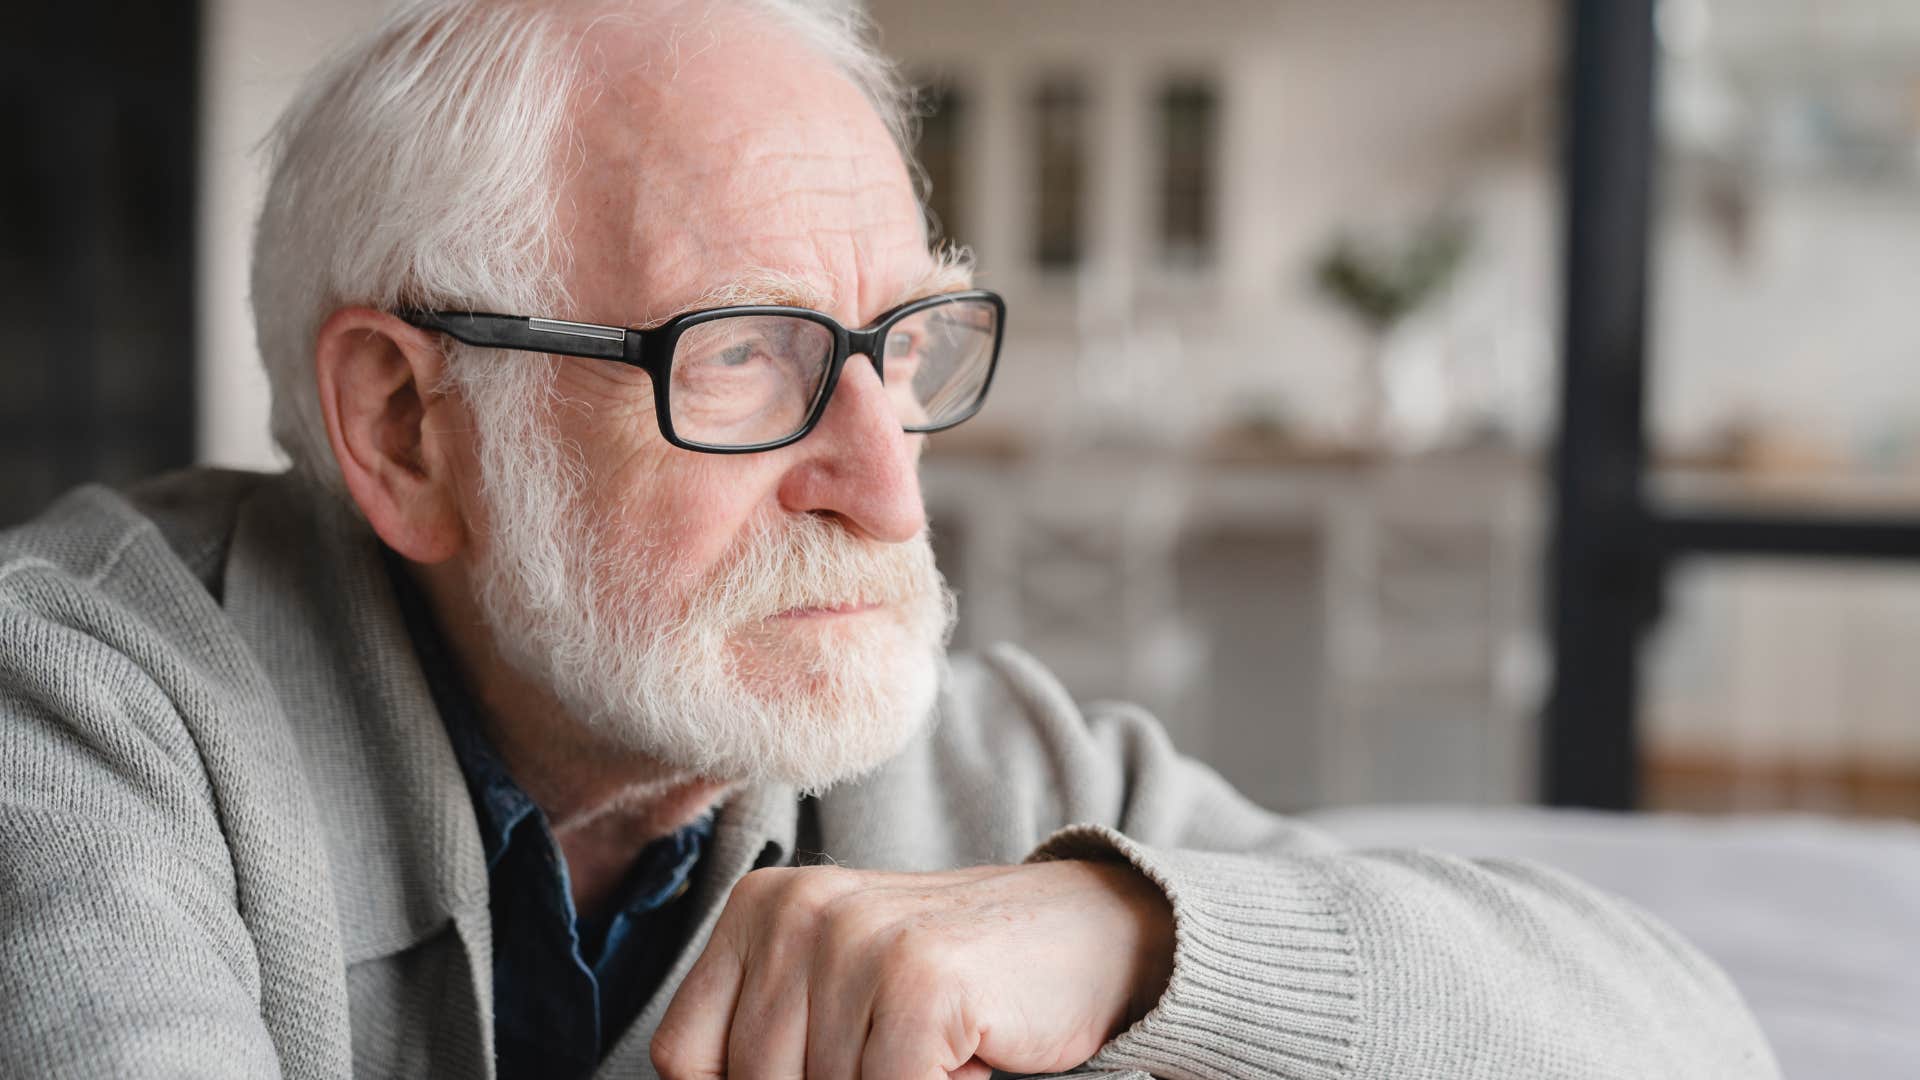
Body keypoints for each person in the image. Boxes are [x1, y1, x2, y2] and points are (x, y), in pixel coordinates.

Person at [0, 1, 1776, 1077]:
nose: (889, 483)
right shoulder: (77, 723)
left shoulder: (971, 772)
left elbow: (1692, 1044)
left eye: (903, 349)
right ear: (406, 425)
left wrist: (1126, 937)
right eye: (747, 354)